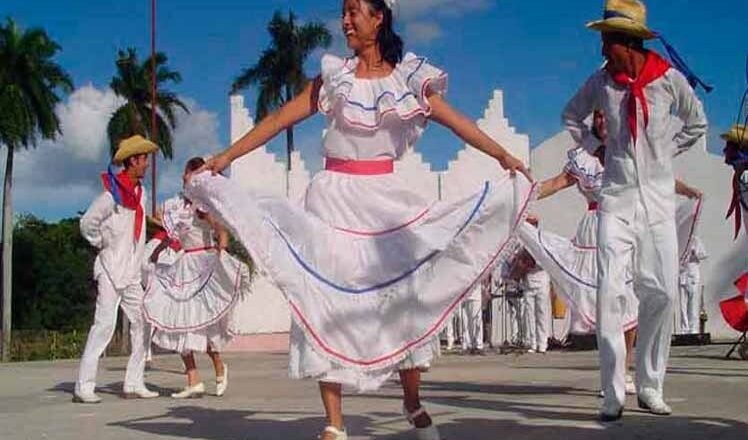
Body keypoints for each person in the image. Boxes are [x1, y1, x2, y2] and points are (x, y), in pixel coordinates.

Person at [184, 1, 534, 438]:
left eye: (354, 11)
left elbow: (453, 120)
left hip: (386, 199)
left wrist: (502, 155)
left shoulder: (408, 77)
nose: (345, 20)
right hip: (332, 197)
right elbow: (277, 119)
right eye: (343, 12)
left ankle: (412, 401)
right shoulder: (336, 77)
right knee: (323, 298)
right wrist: (225, 158)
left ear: (379, 16)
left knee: (402, 296)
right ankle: (334, 422)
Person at [563, 0, 707, 420]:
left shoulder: (669, 81)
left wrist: (664, 153)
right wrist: (598, 146)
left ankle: (650, 385)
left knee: (661, 290)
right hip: (617, 197)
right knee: (610, 290)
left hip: (658, 199)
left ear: (628, 43)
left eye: (606, 41)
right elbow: (571, 116)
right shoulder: (600, 83)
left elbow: (697, 123)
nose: (601, 49)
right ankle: (613, 392)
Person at [143, 157, 251, 399]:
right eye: (184, 174)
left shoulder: (202, 206)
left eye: (187, 174)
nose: (183, 177)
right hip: (184, 263)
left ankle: (219, 367)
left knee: (203, 323)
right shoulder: (178, 206)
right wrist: (157, 246)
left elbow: (221, 231)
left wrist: (220, 256)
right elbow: (171, 234)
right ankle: (193, 380)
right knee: (180, 322)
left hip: (202, 262)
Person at [74, 135, 160, 403]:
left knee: (144, 324)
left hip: (132, 272)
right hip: (111, 270)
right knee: (103, 326)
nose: (147, 164)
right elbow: (87, 223)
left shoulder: (140, 193)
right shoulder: (110, 195)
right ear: (133, 161)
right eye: (144, 159)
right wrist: (103, 244)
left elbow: (140, 227)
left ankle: (133, 383)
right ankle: (84, 386)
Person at [678, 236, 708, 334]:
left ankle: (693, 329)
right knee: (682, 305)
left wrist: (695, 253)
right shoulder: (680, 239)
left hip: (692, 275)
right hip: (682, 275)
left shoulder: (695, 240)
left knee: (692, 304)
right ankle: (684, 329)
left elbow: (704, 255)